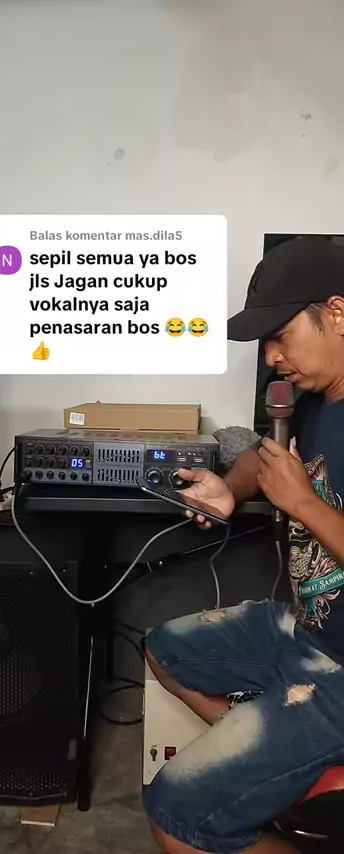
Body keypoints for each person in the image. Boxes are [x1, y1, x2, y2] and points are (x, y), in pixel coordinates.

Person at [143, 235, 344, 854]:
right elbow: (264, 460)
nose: (272, 357)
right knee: (164, 649)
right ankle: (284, 770)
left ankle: (280, 763)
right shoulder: (312, 400)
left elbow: (297, 493)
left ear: (338, 313)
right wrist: (230, 489)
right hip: (308, 630)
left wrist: (304, 505)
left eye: (281, 336)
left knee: (176, 815)